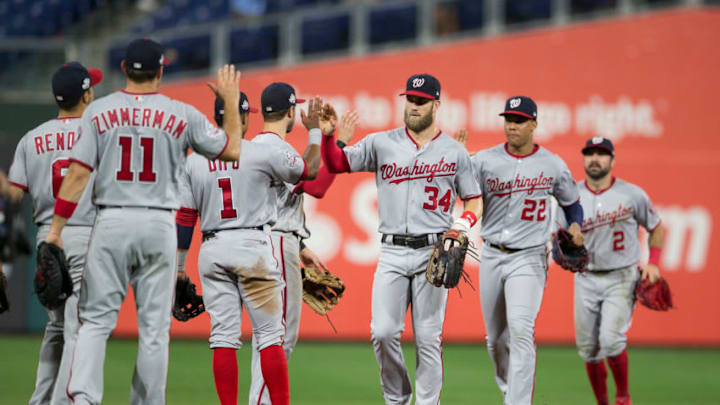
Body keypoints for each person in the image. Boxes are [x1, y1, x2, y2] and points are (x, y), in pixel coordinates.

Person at [43, 38, 244, 405]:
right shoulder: (181, 113)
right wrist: (230, 100)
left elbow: (76, 175)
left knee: (94, 323)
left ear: (123, 70)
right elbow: (231, 150)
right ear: (161, 70)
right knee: (154, 331)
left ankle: (82, 400)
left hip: (112, 222)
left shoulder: (98, 111)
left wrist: (56, 229)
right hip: (158, 226)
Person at [321, 73, 482, 405]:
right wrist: (330, 139)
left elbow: (474, 200)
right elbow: (337, 163)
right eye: (410, 99)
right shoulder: (382, 143)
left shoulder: (454, 151)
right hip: (392, 250)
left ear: (436, 105)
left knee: (427, 339)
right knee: (382, 332)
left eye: (421, 101)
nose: (414, 106)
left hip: (434, 250)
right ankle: (397, 399)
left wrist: (461, 226)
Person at [175, 82, 322, 405]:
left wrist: (179, 269)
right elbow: (310, 170)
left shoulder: (194, 160)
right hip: (252, 245)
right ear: (242, 117)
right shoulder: (261, 151)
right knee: (270, 336)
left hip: (211, 248)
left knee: (223, 338)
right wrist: (313, 133)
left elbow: (185, 218)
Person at [470, 96, 584, 405]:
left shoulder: (552, 164)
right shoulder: (483, 160)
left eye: (519, 120)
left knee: (521, 330)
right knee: (495, 340)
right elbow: (459, 187)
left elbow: (572, 204)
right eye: (508, 119)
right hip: (492, 253)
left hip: (529, 257)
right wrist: (455, 157)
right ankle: (511, 392)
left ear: (533, 124)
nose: (512, 126)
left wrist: (575, 226)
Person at [249, 102, 359, 405]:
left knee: (267, 337)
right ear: (288, 114)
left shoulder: (252, 148)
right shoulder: (277, 151)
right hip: (276, 245)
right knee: (277, 338)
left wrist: (299, 247)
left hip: (259, 242)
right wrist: (337, 142)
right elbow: (319, 185)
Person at [6, 62, 102, 405]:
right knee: (81, 328)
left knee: (57, 328)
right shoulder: (98, 133)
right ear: (87, 93)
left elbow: (12, 197)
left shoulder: (31, 138)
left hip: (47, 236)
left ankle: (41, 400)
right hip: (86, 234)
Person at [560, 137, 664, 405]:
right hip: (585, 277)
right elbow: (557, 239)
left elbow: (657, 228)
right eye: (590, 153)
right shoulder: (572, 197)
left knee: (611, 340)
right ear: (584, 159)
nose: (595, 159)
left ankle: (623, 397)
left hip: (621, 276)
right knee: (589, 350)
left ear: (612, 160)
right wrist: (565, 243)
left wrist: (653, 262)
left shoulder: (632, 194)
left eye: (602, 154)